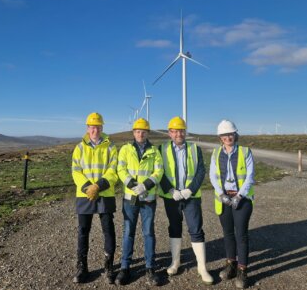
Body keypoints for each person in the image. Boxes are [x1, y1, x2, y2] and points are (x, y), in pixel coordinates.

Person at [158, 116, 213, 284]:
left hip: (191, 197)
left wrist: (191, 189)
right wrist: (170, 189)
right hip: (171, 197)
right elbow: (158, 172)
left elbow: (201, 171)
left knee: (196, 229)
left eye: (181, 130)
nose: (178, 134)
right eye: (175, 131)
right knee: (174, 228)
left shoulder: (194, 149)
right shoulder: (162, 149)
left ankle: (202, 267)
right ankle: (175, 262)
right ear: (169, 133)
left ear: (185, 132)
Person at [115, 118, 164, 286]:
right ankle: (125, 267)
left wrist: (147, 184)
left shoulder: (155, 151)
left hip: (148, 199)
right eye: (137, 131)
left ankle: (150, 267)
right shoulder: (125, 150)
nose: (140, 134)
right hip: (130, 198)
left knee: (148, 232)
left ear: (148, 133)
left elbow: (159, 170)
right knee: (128, 232)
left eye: (143, 131)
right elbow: (120, 169)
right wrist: (131, 183)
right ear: (133, 133)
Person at [71, 112, 118, 284]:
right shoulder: (79, 148)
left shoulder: (111, 147)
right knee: (83, 231)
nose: (95, 129)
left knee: (108, 230)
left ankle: (109, 267)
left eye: (98, 126)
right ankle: (82, 267)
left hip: (104, 193)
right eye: (92, 126)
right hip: (85, 195)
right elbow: (76, 171)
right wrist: (87, 188)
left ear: (102, 127)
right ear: (87, 128)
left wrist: (98, 186)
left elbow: (113, 171)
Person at [209, 120, 255, 289]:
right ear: (220, 137)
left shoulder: (245, 152)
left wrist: (240, 196)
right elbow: (213, 176)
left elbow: (250, 176)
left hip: (241, 200)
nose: (228, 137)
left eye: (231, 134)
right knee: (228, 233)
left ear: (235, 134)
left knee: (241, 234)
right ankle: (231, 265)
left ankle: (243, 270)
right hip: (224, 199)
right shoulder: (215, 153)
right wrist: (221, 194)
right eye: (224, 135)